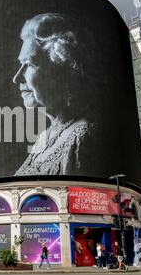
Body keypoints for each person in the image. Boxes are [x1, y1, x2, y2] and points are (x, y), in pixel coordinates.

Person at [13, 13, 94, 176]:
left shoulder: (81, 135)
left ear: (59, 71)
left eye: (29, 64)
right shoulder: (44, 137)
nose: (16, 78)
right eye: (20, 64)